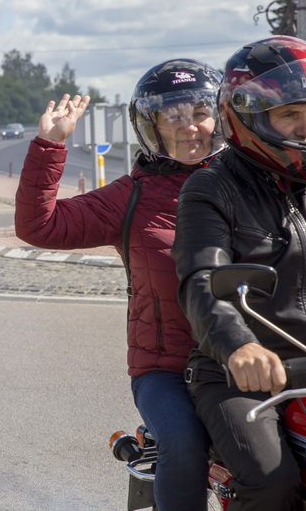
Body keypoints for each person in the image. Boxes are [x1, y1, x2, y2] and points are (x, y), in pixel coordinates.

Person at [15, 59, 226, 510]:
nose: (189, 126)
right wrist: (50, 146)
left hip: (248, 356)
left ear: (221, 118)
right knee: (183, 445)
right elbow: (39, 227)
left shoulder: (249, 186)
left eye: (200, 113)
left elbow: (304, 253)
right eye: (173, 116)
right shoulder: (130, 196)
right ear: (152, 126)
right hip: (167, 369)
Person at [172, 36, 306, 510]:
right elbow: (202, 281)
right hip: (242, 378)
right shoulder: (211, 188)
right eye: (290, 114)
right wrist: (240, 346)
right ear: (250, 118)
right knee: (272, 483)